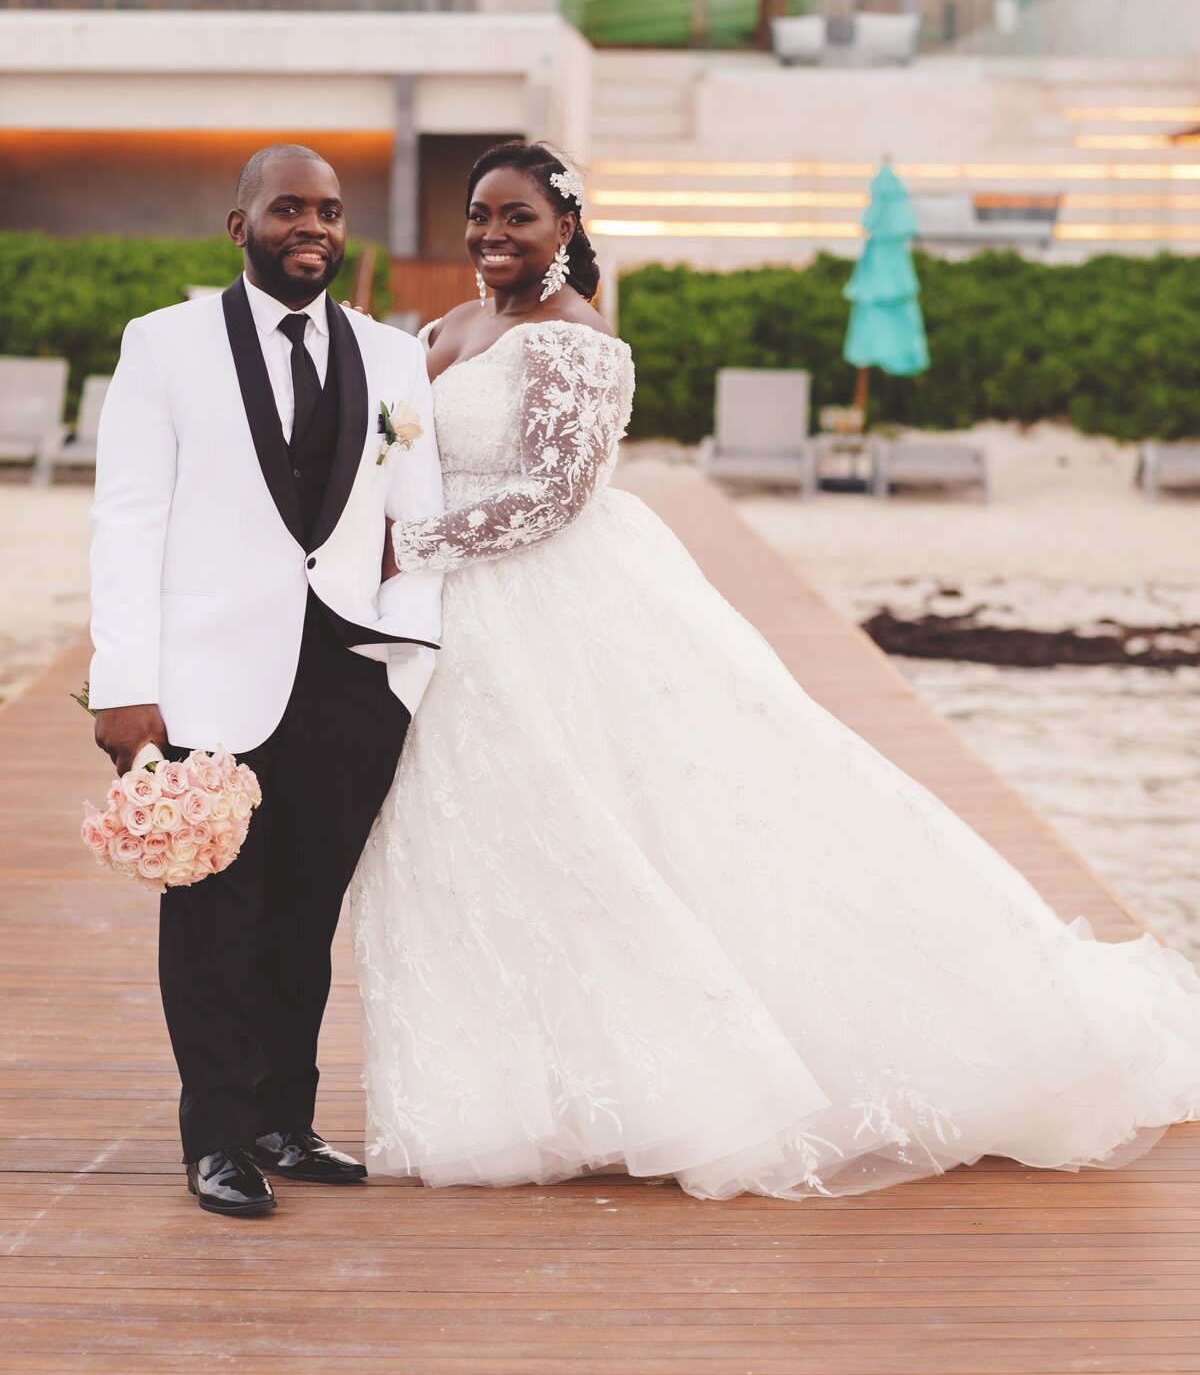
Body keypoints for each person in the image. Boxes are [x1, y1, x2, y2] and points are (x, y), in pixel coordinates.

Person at [352, 138, 1200, 1202]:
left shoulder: (576, 341)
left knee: (627, 827)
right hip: (450, 615)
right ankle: (536, 1082)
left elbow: (553, 498)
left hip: (551, 603)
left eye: (516, 216)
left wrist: (410, 549)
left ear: (564, 226)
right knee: (493, 842)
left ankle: (698, 1075)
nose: (491, 234)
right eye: (479, 214)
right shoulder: (448, 327)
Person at [90, 145, 443, 1217]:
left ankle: (286, 1119)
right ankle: (218, 1139)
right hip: (204, 680)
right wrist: (124, 681)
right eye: (289, 207)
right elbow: (128, 519)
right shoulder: (164, 345)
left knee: (303, 916)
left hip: (350, 677)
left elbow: (415, 522)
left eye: (331, 211)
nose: (314, 227)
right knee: (212, 915)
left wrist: (404, 666)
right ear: (238, 226)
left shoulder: (392, 358)